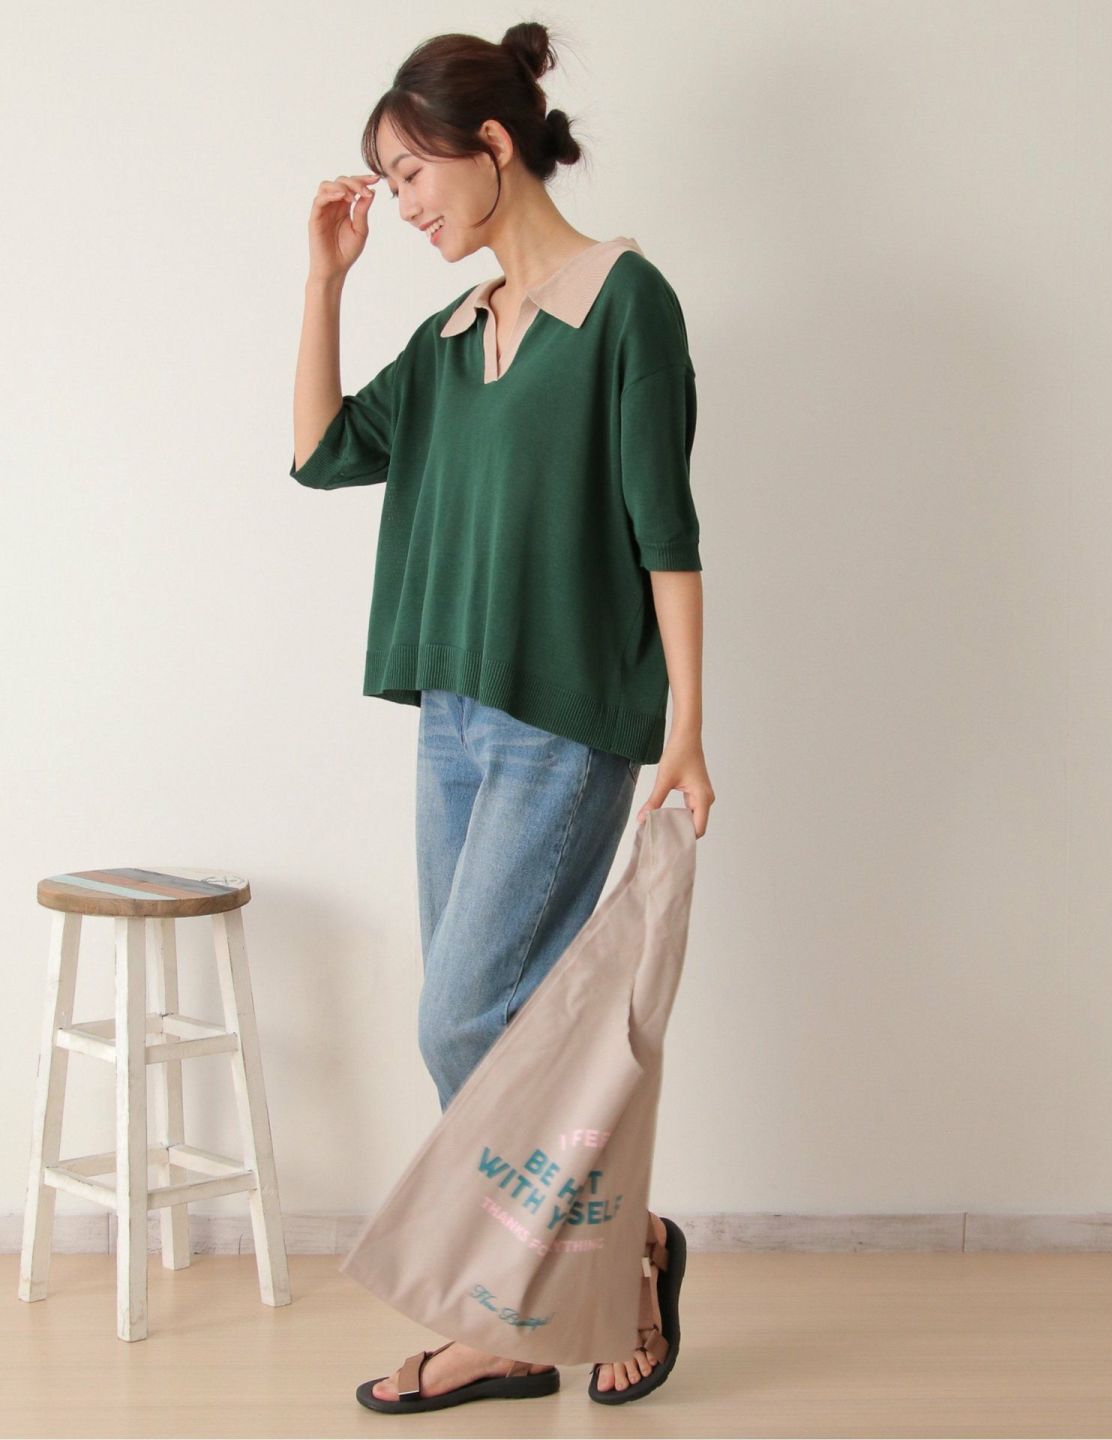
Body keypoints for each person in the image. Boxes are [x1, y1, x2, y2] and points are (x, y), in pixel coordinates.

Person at [290, 19, 715, 1411]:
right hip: (455, 722)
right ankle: (551, 1299)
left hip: (564, 722)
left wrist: (687, 728)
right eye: (386, 184)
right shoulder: (452, 335)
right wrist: (325, 277)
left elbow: (665, 531)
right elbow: (318, 453)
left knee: (461, 1020)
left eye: (411, 176)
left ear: (491, 144)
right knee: (506, 1028)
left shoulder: (625, 303)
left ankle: (604, 1265)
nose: (402, 206)